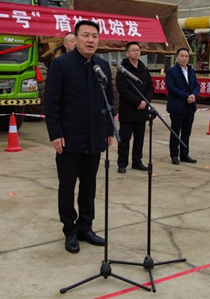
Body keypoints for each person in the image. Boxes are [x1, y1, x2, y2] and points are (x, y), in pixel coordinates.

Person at [45, 20, 113, 254]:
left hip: (95, 138)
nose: (91, 40)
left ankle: (86, 227)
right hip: (69, 139)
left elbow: (108, 101)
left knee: (89, 186)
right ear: (75, 39)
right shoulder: (61, 65)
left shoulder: (102, 65)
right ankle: (70, 230)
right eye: (86, 35)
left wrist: (109, 130)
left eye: (95, 36)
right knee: (67, 186)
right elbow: (51, 103)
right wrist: (55, 133)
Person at [116, 41, 153, 173]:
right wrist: (138, 102)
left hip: (142, 111)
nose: (136, 52)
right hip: (128, 110)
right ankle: (122, 164)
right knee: (125, 139)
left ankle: (137, 162)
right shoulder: (123, 70)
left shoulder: (143, 68)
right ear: (127, 53)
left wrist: (145, 102)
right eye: (133, 50)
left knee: (139, 139)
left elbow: (150, 87)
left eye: (138, 50)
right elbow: (123, 90)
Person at [165, 47, 199, 165]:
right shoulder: (171, 71)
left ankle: (184, 154)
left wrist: (194, 95)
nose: (184, 58)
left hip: (190, 106)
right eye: (182, 56)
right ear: (177, 57)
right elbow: (171, 88)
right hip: (177, 106)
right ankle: (174, 154)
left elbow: (196, 85)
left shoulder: (191, 70)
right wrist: (186, 96)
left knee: (186, 131)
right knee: (176, 131)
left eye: (186, 56)